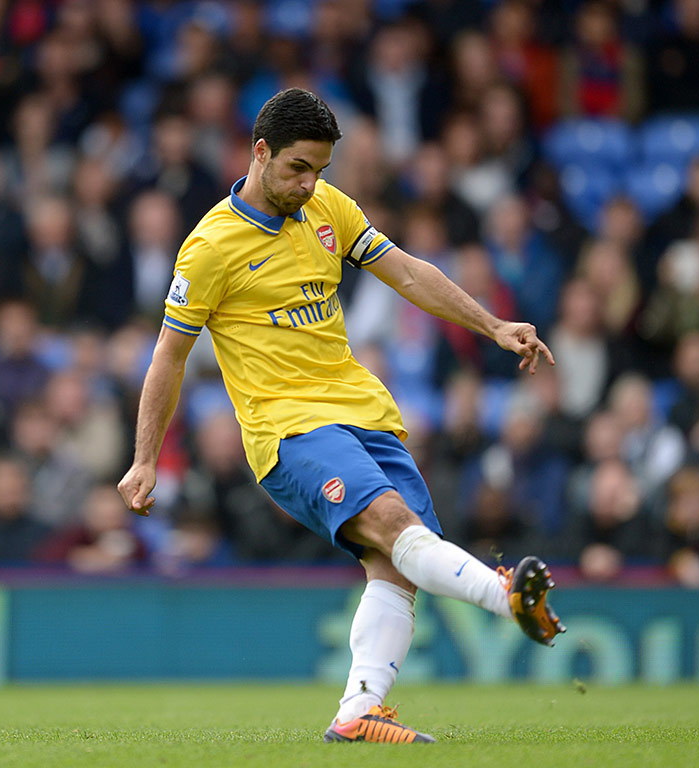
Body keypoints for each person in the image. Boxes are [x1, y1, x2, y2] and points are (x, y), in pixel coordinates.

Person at [116, 88, 565, 745]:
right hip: (289, 429)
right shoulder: (209, 247)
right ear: (260, 151)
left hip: (363, 411)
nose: (309, 183)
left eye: (320, 170)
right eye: (298, 167)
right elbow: (167, 357)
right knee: (392, 523)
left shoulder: (328, 207)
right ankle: (507, 597)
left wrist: (491, 324)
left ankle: (358, 709)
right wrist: (145, 458)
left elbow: (407, 273)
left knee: (396, 564)